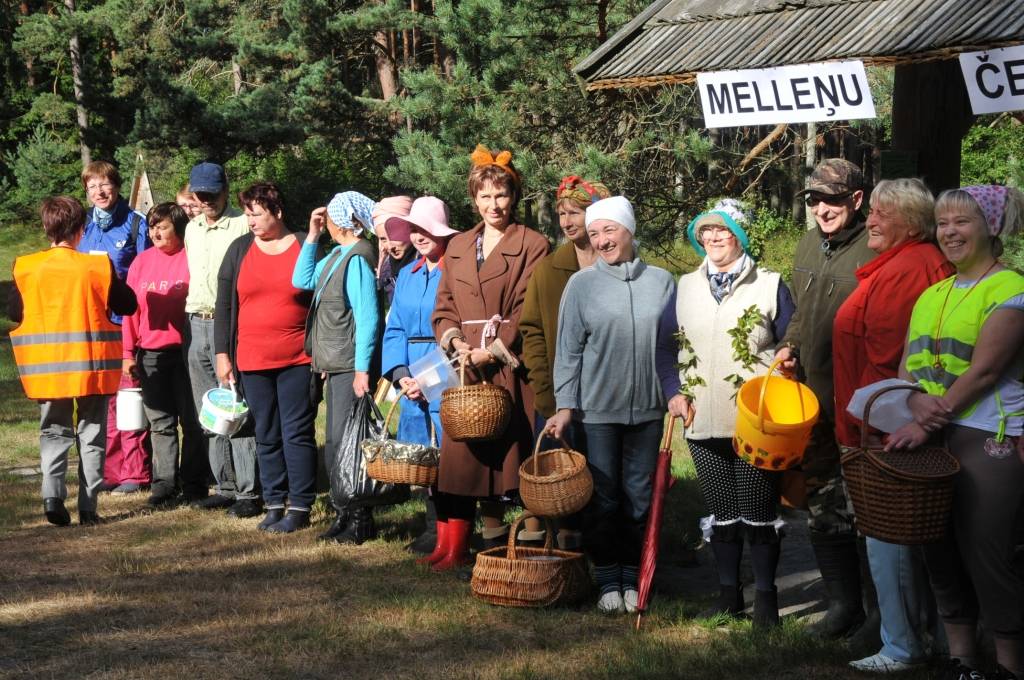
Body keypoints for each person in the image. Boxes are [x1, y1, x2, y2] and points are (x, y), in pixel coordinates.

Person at [888, 185, 1024, 680]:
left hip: (987, 432)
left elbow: (986, 372)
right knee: (938, 549)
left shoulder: (1010, 288)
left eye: (962, 222)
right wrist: (912, 401)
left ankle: (1009, 665)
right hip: (933, 434)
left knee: (987, 552)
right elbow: (906, 367)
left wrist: (927, 415)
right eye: (943, 223)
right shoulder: (932, 294)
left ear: (992, 226)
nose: (949, 232)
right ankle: (961, 659)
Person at [829, 179, 954, 672]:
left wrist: (871, 430)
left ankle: (903, 645)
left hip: (889, 434)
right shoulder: (903, 265)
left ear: (909, 222)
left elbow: (888, 360)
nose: (872, 220)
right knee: (911, 544)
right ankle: (930, 639)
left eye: (881, 212)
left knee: (891, 542)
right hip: (887, 427)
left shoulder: (908, 270)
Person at [652, 199, 794, 626]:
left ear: (741, 235)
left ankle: (767, 601)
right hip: (701, 418)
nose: (712, 238)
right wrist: (674, 393)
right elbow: (665, 348)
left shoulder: (769, 284)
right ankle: (728, 595)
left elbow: (790, 340)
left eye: (723, 230)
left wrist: (789, 357)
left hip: (754, 421)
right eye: (705, 232)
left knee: (759, 512)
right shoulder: (686, 285)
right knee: (723, 512)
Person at [546, 195, 674, 613]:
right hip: (597, 411)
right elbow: (568, 350)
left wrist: (676, 393)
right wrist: (566, 405)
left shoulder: (662, 281)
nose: (601, 240)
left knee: (639, 497)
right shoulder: (581, 285)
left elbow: (676, 346)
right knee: (603, 498)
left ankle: (634, 575)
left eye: (610, 230)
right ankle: (606, 580)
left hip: (649, 411)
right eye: (595, 231)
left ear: (629, 231)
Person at [430, 145, 549, 571]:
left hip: (510, 368)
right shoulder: (459, 246)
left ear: (513, 196)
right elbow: (443, 305)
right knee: (473, 463)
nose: (493, 205)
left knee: (514, 463)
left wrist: (493, 350)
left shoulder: (533, 244)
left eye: (500, 195)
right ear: (474, 199)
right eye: (484, 197)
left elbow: (528, 307)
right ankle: (486, 550)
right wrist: (454, 341)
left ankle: (531, 553)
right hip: (466, 373)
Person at [774, 158, 879, 640]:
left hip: (858, 409)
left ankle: (881, 613)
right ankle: (843, 606)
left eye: (832, 199)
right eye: (814, 199)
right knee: (821, 505)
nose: (821, 208)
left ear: (857, 200)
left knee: (868, 511)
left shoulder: (874, 248)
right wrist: (788, 347)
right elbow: (797, 310)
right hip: (812, 404)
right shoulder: (808, 243)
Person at [9, 196, 137, 526]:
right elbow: (128, 305)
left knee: (53, 432)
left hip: (47, 372)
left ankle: (52, 496)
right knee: (92, 433)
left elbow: (13, 312)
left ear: (46, 227)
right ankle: (89, 507)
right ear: (82, 229)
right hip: (91, 368)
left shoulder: (25, 267)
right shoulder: (97, 266)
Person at [214, 182, 317, 533]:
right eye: (246, 214)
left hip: (297, 360)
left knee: (296, 433)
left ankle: (300, 506)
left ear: (278, 212)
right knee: (266, 434)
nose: (250, 221)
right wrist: (223, 354)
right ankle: (274, 502)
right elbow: (225, 305)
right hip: (252, 361)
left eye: (256, 214)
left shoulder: (306, 245)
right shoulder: (240, 249)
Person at [520, 175, 609, 550]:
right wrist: (546, 389)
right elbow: (533, 332)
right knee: (564, 476)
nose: (567, 221)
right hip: (560, 395)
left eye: (576, 212)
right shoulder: (548, 270)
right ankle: (567, 550)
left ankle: (607, 547)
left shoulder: (618, 263)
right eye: (562, 213)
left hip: (609, 393)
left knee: (605, 475)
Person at [293, 191, 381, 544]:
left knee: (349, 442)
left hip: (350, 366)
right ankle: (344, 511)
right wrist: (312, 236)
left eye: (328, 216)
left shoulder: (357, 257)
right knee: (334, 441)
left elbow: (368, 315)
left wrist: (362, 370)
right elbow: (301, 280)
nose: (324, 220)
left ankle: (359, 517)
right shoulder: (336, 255)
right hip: (336, 363)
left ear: (343, 219)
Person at [380, 196, 458, 561]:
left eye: (425, 229)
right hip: (410, 373)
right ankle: (432, 527)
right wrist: (401, 375)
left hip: (447, 369)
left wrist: (429, 378)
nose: (419, 236)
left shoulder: (456, 271)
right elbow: (394, 327)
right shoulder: (408, 275)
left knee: (450, 453)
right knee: (423, 457)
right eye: (414, 229)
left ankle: (455, 530)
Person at [182, 161, 260, 516]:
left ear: (226, 190)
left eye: (212, 193)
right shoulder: (191, 228)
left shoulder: (243, 225)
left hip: (230, 325)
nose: (206, 200)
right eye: (200, 194)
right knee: (209, 411)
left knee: (236, 407)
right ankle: (225, 484)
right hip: (196, 323)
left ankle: (248, 491)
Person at [122, 203, 208, 508]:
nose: (155, 232)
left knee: (193, 421)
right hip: (150, 353)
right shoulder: (140, 263)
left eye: (163, 226)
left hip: (186, 351)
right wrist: (127, 353)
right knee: (160, 422)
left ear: (178, 229)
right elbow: (130, 313)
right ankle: (164, 483)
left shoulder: (193, 258)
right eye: (152, 226)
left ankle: (195, 482)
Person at [78, 160, 152, 494]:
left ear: (117, 186)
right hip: (91, 329)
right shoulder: (81, 227)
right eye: (92, 186)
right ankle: (109, 471)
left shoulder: (136, 225)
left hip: (126, 325)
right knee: (102, 403)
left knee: (129, 400)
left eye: (104, 184)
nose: (99, 192)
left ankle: (134, 473)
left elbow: (147, 276)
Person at [372, 196, 416, 304]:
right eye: (383, 239)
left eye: (394, 236)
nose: (390, 246)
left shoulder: (430, 264)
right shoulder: (387, 268)